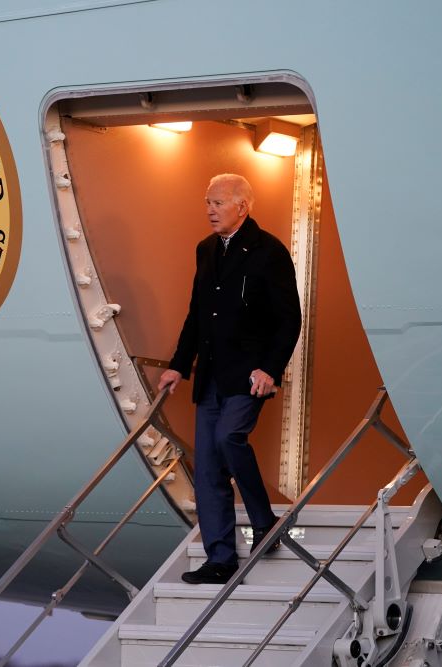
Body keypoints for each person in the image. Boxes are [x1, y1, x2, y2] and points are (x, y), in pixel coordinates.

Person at [158, 173, 301, 585]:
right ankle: (220, 558)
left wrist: (270, 369)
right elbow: (196, 314)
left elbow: (289, 318)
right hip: (211, 375)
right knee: (206, 470)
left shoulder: (268, 251)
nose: (209, 210)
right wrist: (179, 364)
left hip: (249, 374)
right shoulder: (205, 250)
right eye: (207, 202)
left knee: (228, 439)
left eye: (218, 202)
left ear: (243, 206)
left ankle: (265, 522)